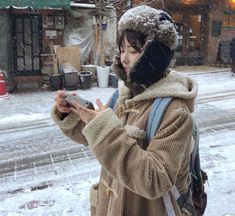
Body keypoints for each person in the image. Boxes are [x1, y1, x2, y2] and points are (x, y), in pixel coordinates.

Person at [51, 5, 198, 216]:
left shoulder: (175, 111)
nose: (123, 59)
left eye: (133, 51)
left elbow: (155, 180)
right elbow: (98, 140)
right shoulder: (124, 96)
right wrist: (77, 114)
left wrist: (102, 128)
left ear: (155, 54)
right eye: (121, 50)